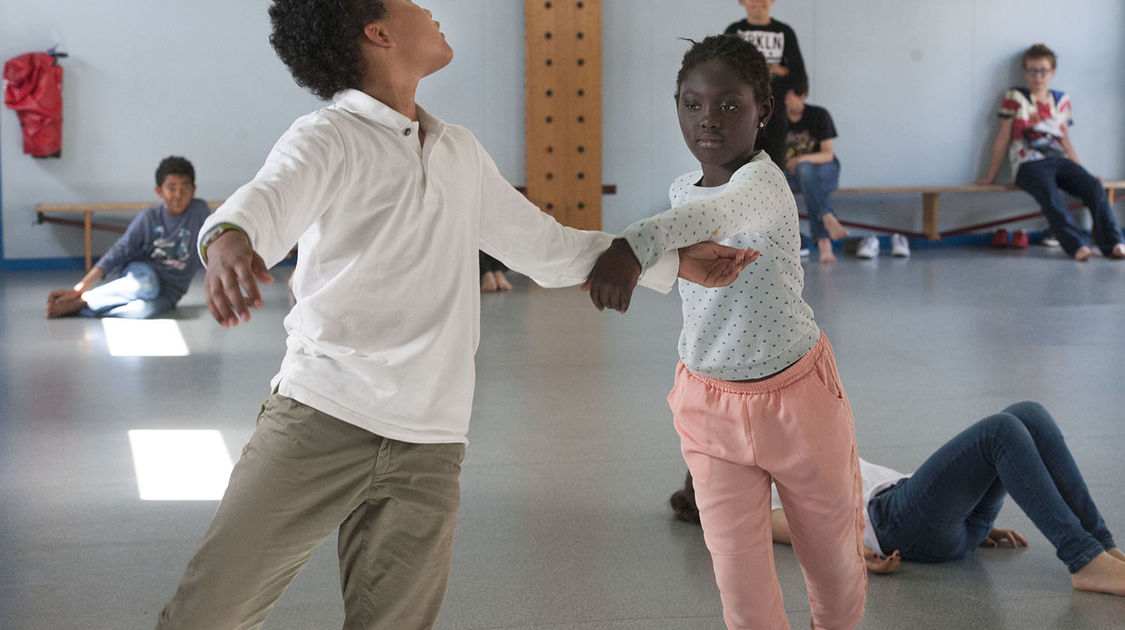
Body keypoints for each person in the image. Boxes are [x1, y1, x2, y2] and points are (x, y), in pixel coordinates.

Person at [155, 2, 756, 629]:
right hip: (322, 417)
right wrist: (227, 237)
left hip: (430, 442)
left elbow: (548, 249)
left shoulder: (458, 151)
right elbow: (268, 198)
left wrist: (669, 262)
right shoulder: (328, 135)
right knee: (207, 615)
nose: (430, 9)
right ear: (379, 32)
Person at [586, 35, 865, 630]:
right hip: (709, 406)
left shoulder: (763, 183)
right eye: (692, 104)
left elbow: (712, 216)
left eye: (728, 105)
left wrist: (632, 245)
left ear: (763, 109)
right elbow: (689, 231)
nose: (707, 120)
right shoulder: (681, 190)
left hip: (796, 399)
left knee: (834, 569)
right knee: (740, 589)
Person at [671, 401, 1125, 597]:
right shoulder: (756, 501)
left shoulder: (787, 463)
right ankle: (1084, 561)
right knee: (1000, 432)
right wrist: (856, 557)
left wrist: (966, 508)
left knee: (1026, 414)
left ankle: (1100, 545)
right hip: (898, 525)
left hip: (938, 520)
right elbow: (811, 534)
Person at [977, 43, 1125, 261]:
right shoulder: (1015, 96)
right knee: (1050, 193)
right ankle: (1077, 246)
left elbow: (1065, 140)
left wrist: (1081, 171)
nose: (1038, 77)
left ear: (1052, 73)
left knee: (1094, 187)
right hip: (1029, 164)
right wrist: (991, 175)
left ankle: (1114, 243)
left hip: (1060, 162)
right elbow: (1002, 137)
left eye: (1043, 71)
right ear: (1025, 72)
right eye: (1032, 71)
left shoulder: (1061, 100)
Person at [45, 156, 209, 319]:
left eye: (185, 187)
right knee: (148, 286)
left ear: (193, 190)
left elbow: (215, 243)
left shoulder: (199, 211)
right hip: (143, 274)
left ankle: (79, 308)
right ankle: (84, 298)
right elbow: (118, 252)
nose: (178, 195)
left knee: (143, 311)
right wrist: (80, 288)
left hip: (170, 293)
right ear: (159, 191)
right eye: (171, 188)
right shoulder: (149, 217)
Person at [725, 0, 807, 168]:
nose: (757, 2)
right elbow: (727, 73)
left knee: (774, 167)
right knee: (741, 167)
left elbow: (799, 77)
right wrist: (777, 70)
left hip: (776, 113)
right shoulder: (734, 31)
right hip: (741, 112)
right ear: (742, 1)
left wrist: (751, 71)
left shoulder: (784, 32)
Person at [780, 76, 850, 264]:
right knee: (805, 177)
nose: (784, 101)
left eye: (788, 96)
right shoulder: (776, 120)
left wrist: (801, 158)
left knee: (807, 171)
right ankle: (826, 218)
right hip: (794, 176)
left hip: (825, 171)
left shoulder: (819, 115)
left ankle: (823, 240)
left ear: (802, 95)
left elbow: (827, 154)